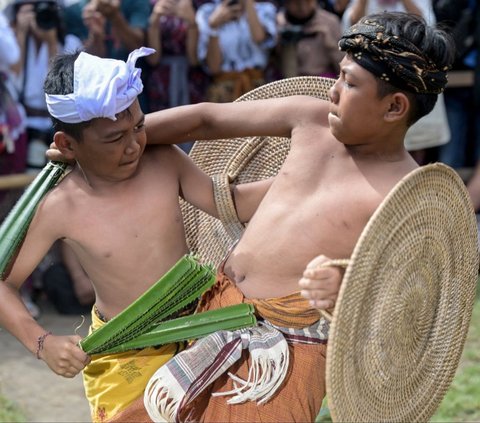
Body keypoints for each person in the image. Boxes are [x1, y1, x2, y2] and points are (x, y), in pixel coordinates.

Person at [134, 11, 454, 422]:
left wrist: (343, 293)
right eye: (339, 76)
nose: (334, 91)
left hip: (285, 356)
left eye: (351, 84)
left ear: (394, 107)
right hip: (211, 310)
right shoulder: (311, 118)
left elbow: (401, 310)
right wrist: (121, 137)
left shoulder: (403, 196)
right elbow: (206, 118)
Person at [0, 47, 269, 422]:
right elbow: (2, 284)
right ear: (67, 145)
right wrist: (42, 343)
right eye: (114, 138)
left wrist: (296, 183)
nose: (133, 146)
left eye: (139, 127)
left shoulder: (164, 160)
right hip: (126, 352)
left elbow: (230, 204)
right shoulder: (60, 206)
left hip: (201, 328)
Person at [9, 0, 83, 172]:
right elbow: (14, 81)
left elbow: (61, 89)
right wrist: (21, 33)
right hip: (23, 126)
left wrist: (51, 43)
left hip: (57, 125)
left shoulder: (70, 43)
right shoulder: (12, 42)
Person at [196, 0, 277, 102]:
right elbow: (214, 67)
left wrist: (249, 5)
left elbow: (259, 38)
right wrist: (213, 27)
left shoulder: (264, 9)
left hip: (257, 89)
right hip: (224, 93)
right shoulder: (207, 12)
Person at [275, 0, 343, 79]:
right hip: (288, 81)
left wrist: (331, 45)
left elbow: (342, 67)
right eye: (297, 3)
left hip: (321, 81)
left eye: (308, 2)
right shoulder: (278, 22)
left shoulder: (330, 22)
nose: (302, 8)